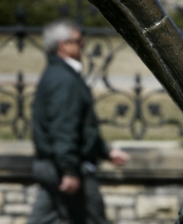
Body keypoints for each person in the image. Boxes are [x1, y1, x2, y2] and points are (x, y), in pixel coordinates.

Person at [28, 19, 129, 224]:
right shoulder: (64, 80)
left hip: (53, 164)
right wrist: (70, 171)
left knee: (43, 218)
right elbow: (63, 128)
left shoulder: (59, 74)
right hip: (66, 167)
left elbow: (82, 125)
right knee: (93, 219)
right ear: (63, 45)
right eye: (78, 40)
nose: (83, 45)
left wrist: (106, 151)